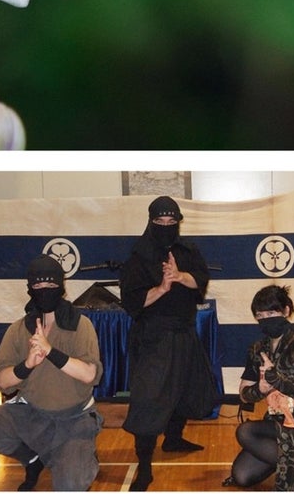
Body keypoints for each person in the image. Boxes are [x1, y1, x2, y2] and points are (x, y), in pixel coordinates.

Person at [0, 255, 103, 491]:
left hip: (74, 419)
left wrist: (50, 351)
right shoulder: (17, 329)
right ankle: (32, 459)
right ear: (30, 288)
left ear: (61, 287)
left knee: (69, 484)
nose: (45, 291)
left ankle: (80, 455)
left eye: (51, 285)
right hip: (32, 414)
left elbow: (90, 374)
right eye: (38, 286)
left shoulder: (80, 325)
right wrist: (27, 365)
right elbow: (2, 381)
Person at [117, 195, 215, 491]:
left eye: (171, 221)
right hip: (154, 337)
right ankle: (144, 468)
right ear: (150, 221)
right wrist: (162, 287)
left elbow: (201, 281)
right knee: (149, 400)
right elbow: (133, 302)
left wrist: (181, 275)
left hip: (184, 332)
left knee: (185, 390)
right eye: (160, 221)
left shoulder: (188, 250)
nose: (166, 226)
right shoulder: (137, 256)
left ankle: (173, 439)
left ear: (178, 222)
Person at [225, 285, 294, 490]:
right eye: (260, 315)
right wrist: (260, 390)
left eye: (271, 313)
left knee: (245, 432)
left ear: (286, 311)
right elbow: (244, 395)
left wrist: (280, 382)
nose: (265, 319)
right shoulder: (257, 349)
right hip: (277, 422)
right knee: (242, 476)